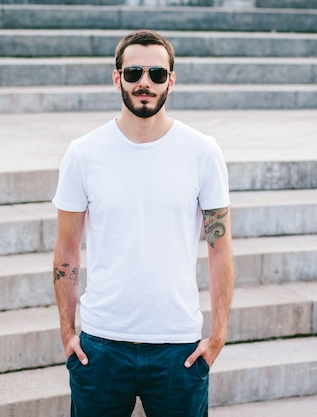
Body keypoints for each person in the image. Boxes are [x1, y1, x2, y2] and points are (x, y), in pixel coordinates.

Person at [52, 29, 234, 417]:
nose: (144, 83)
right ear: (116, 77)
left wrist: (218, 336)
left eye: (156, 73)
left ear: (172, 79)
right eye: (133, 73)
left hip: (178, 348)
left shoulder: (203, 152)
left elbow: (220, 247)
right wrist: (68, 332)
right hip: (100, 347)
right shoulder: (83, 154)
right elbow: (66, 249)